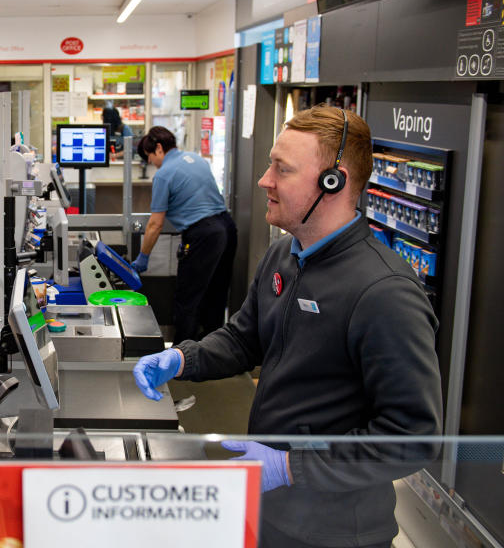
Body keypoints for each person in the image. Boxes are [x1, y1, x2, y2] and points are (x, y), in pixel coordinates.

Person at [133, 105, 443, 548]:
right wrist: (182, 357)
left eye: (282, 168)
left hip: (334, 533)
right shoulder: (284, 255)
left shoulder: (384, 292)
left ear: (333, 182)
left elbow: (412, 437)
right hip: (274, 511)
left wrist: (290, 467)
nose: (264, 180)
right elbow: (244, 337)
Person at [131, 126, 237, 344]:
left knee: (187, 297)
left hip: (203, 235)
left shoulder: (164, 175)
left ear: (158, 148)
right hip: (227, 227)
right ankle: (212, 351)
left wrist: (143, 257)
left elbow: (154, 224)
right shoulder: (196, 159)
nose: (152, 163)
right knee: (215, 295)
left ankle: (182, 359)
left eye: (150, 157)